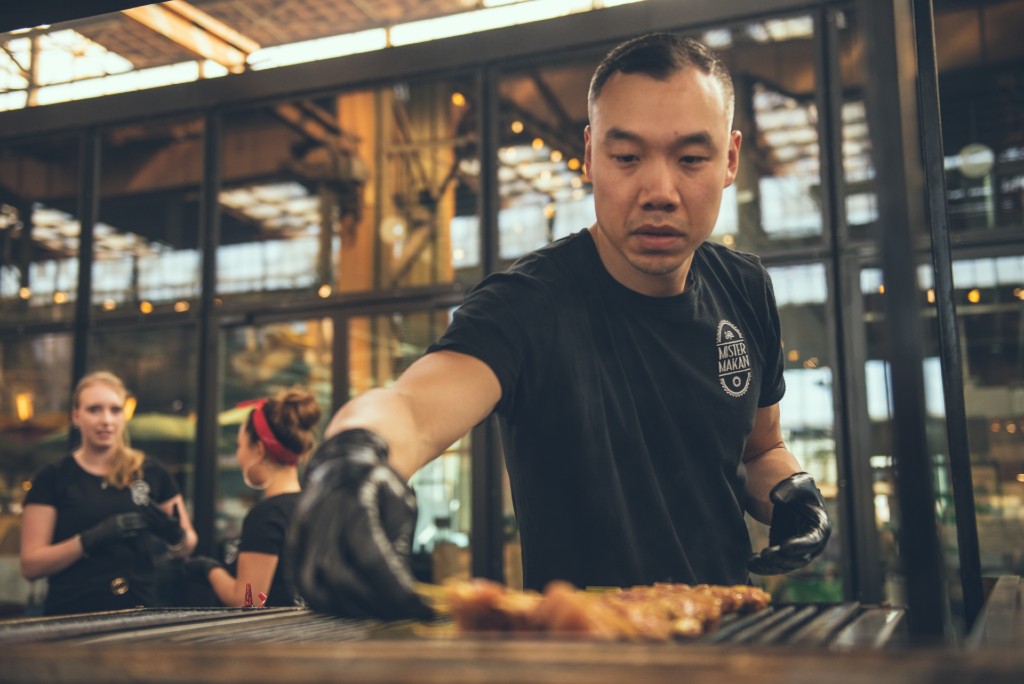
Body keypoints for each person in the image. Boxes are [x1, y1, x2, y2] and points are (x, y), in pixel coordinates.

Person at [288, 32, 831, 619]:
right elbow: (412, 408)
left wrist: (791, 493)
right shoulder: (529, 303)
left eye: (691, 159)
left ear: (729, 159)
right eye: (627, 157)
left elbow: (763, 446)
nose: (659, 192)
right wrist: (351, 460)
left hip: (725, 631)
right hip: (583, 651)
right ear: (592, 155)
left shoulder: (745, 289)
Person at [20, 371, 198, 615]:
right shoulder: (53, 477)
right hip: (71, 613)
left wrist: (175, 535)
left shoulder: (150, 472)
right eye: (94, 409)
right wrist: (87, 540)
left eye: (115, 410)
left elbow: (188, 545)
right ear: (76, 416)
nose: (106, 420)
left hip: (138, 612)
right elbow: (30, 566)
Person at [183, 388, 321, 607]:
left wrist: (208, 569)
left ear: (258, 450)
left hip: (276, 639)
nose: (239, 456)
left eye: (239, 446)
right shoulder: (315, 506)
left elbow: (248, 601)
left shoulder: (267, 516)